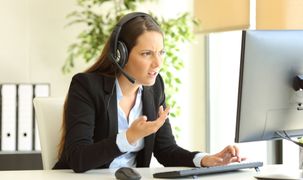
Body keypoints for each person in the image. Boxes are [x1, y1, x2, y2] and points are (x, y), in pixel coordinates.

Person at [53, 12, 245, 173]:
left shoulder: (154, 88)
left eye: (161, 52)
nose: (158, 63)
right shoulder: (86, 86)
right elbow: (78, 158)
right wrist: (128, 137)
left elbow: (166, 150)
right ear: (121, 54)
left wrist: (206, 160)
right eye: (147, 54)